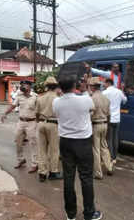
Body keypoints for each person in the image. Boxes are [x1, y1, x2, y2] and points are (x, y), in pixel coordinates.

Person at [53, 76, 103, 220]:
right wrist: (86, 88)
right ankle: (89, 213)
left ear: (60, 87)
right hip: (83, 142)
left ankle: (71, 214)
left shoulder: (56, 102)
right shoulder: (85, 99)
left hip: (66, 142)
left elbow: (58, 114)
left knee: (68, 178)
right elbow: (92, 107)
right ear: (75, 85)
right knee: (86, 177)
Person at [1, 81, 38, 173]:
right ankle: (21, 160)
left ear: (29, 86)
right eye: (22, 85)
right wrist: (5, 113)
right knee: (18, 141)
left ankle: (35, 164)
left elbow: (39, 110)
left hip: (32, 122)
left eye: (25, 85)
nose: (22, 86)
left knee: (33, 143)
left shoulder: (36, 97)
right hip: (21, 122)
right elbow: (13, 106)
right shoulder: (19, 96)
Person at [35, 76, 63, 182]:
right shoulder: (58, 99)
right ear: (56, 86)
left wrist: (40, 121)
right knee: (54, 150)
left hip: (41, 123)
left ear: (46, 86)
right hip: (53, 124)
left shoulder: (40, 98)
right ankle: (53, 172)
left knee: (42, 150)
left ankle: (42, 173)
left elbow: (36, 113)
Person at [88, 77, 113, 180]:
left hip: (96, 125)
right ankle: (109, 167)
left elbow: (90, 114)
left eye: (90, 86)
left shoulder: (92, 98)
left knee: (96, 149)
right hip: (105, 124)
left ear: (93, 87)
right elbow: (109, 115)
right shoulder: (106, 98)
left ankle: (98, 173)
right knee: (104, 146)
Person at [102, 78, 127, 164]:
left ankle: (111, 157)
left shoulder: (105, 93)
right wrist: (122, 90)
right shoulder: (119, 92)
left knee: (109, 139)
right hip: (117, 119)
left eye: (104, 83)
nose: (103, 85)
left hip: (109, 119)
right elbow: (125, 100)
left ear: (108, 83)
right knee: (115, 138)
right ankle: (115, 157)